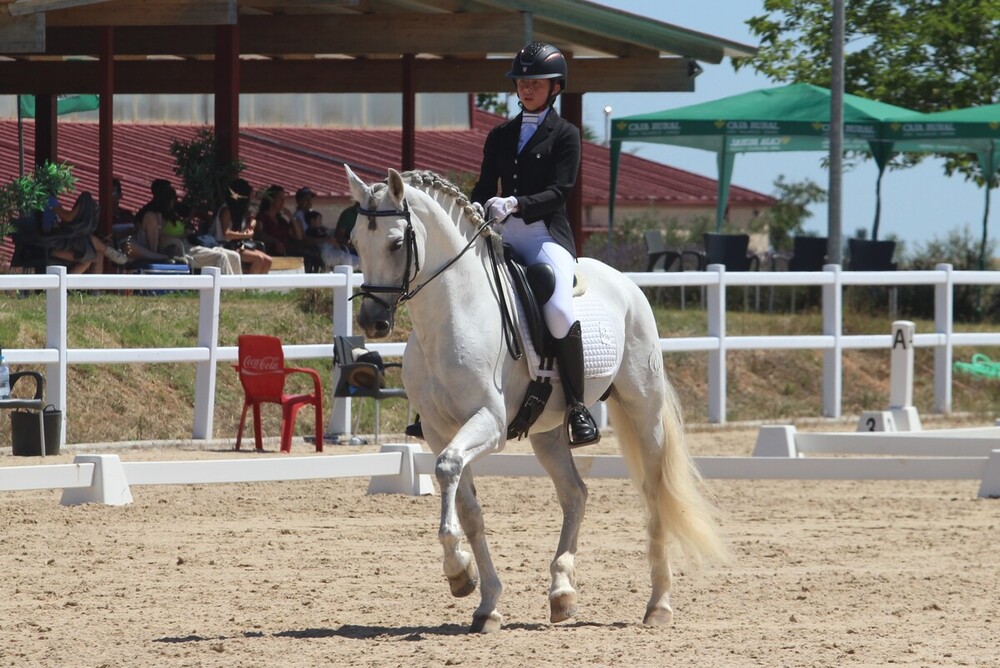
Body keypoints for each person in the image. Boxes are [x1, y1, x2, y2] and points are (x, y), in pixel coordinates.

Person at [470, 41, 598, 447]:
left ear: (555, 87)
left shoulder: (566, 135)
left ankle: (578, 407)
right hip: (503, 233)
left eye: (536, 83)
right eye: (522, 82)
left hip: (544, 234)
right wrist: (474, 207)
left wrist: (517, 203)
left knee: (558, 310)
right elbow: (483, 186)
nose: (526, 89)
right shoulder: (501, 135)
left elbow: (561, 192)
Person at [211, 178, 272, 274]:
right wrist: (245, 235)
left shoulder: (239, 211)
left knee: (268, 260)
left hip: (239, 245)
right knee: (259, 259)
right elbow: (227, 234)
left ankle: (257, 287)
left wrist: (251, 225)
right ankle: (250, 288)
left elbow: (252, 220)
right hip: (224, 246)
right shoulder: (226, 210)